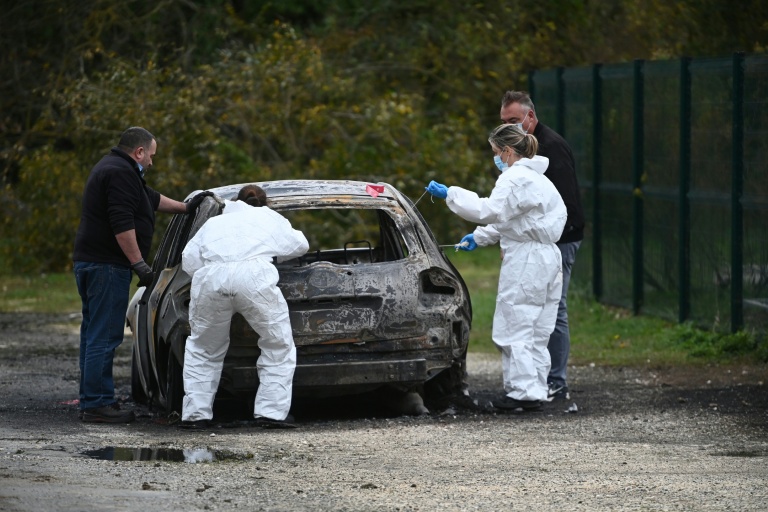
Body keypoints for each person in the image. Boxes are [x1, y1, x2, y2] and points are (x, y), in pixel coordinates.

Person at [73, 126, 212, 423]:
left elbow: (150, 198)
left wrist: (187, 207)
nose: (151, 162)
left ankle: (92, 399)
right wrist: (140, 265)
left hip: (91, 263)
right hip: (107, 266)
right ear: (138, 152)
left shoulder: (115, 169)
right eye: (150, 155)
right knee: (105, 336)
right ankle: (97, 404)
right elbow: (122, 224)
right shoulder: (121, 173)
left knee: (93, 333)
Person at [425, 124, 566, 411]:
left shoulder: (514, 178)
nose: (496, 158)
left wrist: (449, 194)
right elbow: (516, 221)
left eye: (495, 152)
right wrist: (480, 237)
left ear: (507, 151)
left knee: (515, 324)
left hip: (527, 260)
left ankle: (521, 394)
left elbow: (489, 210)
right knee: (538, 328)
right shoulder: (540, 180)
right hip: (548, 258)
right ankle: (534, 390)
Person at [179, 185, 309, 430]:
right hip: (254, 278)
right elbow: (300, 245)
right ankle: (270, 413)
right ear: (265, 202)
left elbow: (189, 260)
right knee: (277, 344)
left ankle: (196, 416)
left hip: (211, 278)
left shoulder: (214, 223)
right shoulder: (269, 217)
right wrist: (271, 253)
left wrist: (217, 272)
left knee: (203, 347)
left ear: (236, 201)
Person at [500, 91, 585, 401]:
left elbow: (562, 206)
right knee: (538, 307)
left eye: (513, 121)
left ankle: (555, 380)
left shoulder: (551, 149)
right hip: (543, 241)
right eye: (504, 122)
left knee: (554, 308)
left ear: (529, 118)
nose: (509, 127)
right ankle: (540, 377)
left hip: (559, 240)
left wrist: (537, 241)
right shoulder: (527, 150)